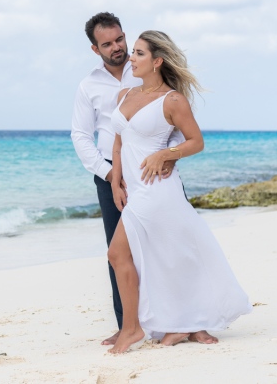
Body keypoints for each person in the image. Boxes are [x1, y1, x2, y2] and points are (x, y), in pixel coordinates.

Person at [106, 30, 252, 354]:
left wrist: (165, 154)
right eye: (133, 52)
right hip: (135, 191)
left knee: (123, 254)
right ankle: (172, 323)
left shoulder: (172, 100)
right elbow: (118, 142)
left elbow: (196, 141)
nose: (131, 57)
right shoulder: (124, 96)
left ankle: (134, 329)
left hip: (157, 191)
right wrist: (115, 180)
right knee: (161, 258)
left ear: (157, 61)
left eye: (139, 54)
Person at [71, 12, 189, 346]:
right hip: (111, 171)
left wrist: (168, 156)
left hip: (154, 172)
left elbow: (176, 120)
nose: (118, 48)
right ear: (96, 49)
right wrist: (110, 175)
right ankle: (127, 324)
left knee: (170, 243)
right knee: (118, 249)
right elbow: (81, 136)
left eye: (119, 39)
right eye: (107, 44)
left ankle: (186, 319)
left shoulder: (145, 65)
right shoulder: (88, 86)